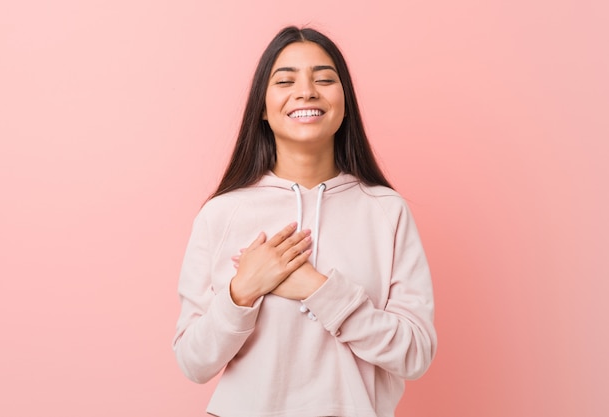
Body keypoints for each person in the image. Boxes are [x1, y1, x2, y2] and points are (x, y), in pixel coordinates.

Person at [172, 25, 437, 417]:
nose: (307, 91)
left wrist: (319, 290)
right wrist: (242, 292)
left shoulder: (386, 211)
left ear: (344, 101)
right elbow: (194, 362)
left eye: (325, 79)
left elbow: (415, 354)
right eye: (285, 80)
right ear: (262, 107)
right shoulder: (222, 213)